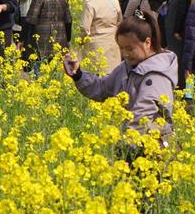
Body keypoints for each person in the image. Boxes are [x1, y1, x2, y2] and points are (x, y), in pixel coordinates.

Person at [64, 12, 178, 166]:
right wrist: (78, 75)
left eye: (129, 48)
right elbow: (103, 88)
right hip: (132, 146)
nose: (124, 54)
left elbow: (142, 116)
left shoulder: (156, 76)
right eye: (121, 48)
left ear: (147, 43)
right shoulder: (127, 67)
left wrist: (121, 145)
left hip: (151, 153)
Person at [25, 0, 72, 73]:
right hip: (60, 42)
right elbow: (68, 20)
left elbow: (31, 20)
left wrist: (25, 41)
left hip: (41, 43)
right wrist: (67, 40)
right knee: (56, 74)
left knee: (40, 73)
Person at [80, 0, 123, 74]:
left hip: (95, 45)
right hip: (113, 43)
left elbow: (85, 29)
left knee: (95, 77)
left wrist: (80, 42)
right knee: (111, 75)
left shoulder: (90, 3)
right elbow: (119, 22)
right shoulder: (114, 1)